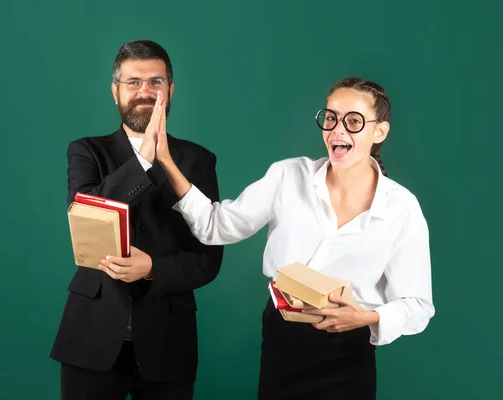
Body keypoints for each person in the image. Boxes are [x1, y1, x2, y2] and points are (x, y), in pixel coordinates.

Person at [154, 77, 435, 399]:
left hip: (348, 352)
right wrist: (165, 161)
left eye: (354, 121)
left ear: (379, 132)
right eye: (330, 118)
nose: (337, 130)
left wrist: (367, 316)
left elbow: (416, 305)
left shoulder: (401, 207)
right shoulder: (288, 176)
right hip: (283, 343)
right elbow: (216, 226)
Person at [49, 39, 224, 400]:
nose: (145, 91)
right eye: (133, 82)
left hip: (168, 345)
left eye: (155, 82)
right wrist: (145, 158)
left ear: (170, 90)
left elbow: (207, 260)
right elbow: (87, 214)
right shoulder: (86, 151)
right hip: (91, 340)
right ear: (115, 92)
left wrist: (152, 268)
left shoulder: (199, 160)